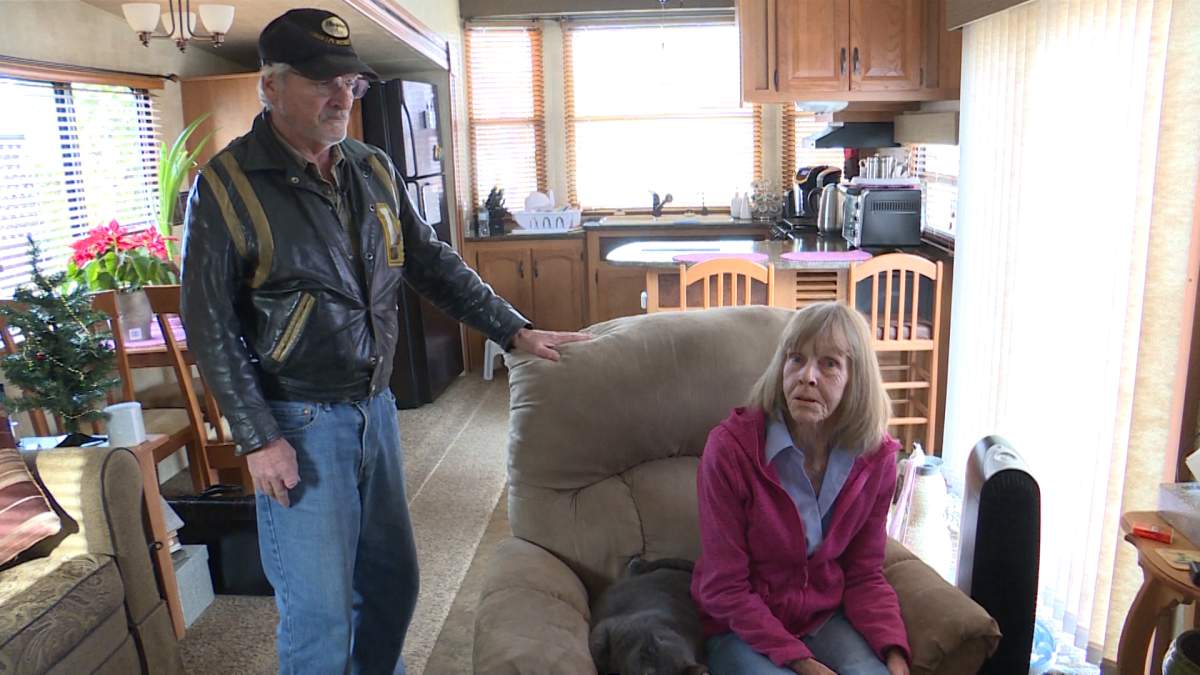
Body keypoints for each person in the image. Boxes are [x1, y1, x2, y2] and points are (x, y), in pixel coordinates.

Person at [179, 9, 589, 674]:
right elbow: (210, 326)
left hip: (377, 410)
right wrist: (257, 437)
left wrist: (513, 328)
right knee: (320, 615)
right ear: (271, 87)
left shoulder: (371, 168)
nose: (342, 98)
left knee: (394, 587)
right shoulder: (225, 189)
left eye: (351, 83)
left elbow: (432, 263)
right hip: (298, 419)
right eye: (322, 83)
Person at [690, 302, 911, 675]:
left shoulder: (875, 459)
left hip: (823, 619)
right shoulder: (730, 450)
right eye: (796, 359)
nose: (808, 376)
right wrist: (803, 664)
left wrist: (895, 654)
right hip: (741, 627)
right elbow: (724, 588)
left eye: (829, 364)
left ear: (856, 379)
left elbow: (864, 573)